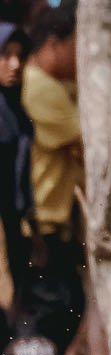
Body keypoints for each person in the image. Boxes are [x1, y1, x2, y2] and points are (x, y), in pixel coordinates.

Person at [17, 8, 81, 355]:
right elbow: (86, 146)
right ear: (54, 45)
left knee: (64, 306)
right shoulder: (40, 87)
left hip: (53, 225)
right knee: (47, 313)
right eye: (76, 46)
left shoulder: (51, 86)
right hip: (41, 226)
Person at [0, 23, 32, 337]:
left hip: (15, 224)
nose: (15, 64)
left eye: (20, 56)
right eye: (5, 55)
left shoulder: (15, 108)